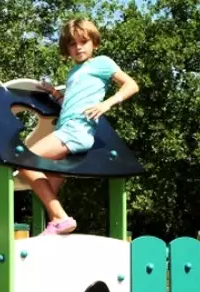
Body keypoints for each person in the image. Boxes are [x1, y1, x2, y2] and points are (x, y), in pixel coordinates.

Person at [17, 18, 140, 236]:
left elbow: (132, 85)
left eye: (84, 41)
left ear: (95, 43)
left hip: (76, 130)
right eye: (72, 43)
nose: (78, 47)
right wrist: (54, 93)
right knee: (47, 186)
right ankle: (55, 225)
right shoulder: (74, 72)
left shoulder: (102, 62)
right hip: (67, 128)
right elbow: (71, 104)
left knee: (24, 160)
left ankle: (61, 218)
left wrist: (107, 103)